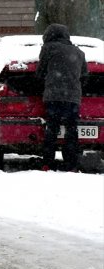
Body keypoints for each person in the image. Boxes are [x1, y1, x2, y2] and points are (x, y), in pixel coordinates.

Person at [36, 23, 88, 171]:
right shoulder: (79, 52)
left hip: (53, 96)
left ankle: (48, 162)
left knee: (52, 128)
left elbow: (40, 72)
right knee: (72, 130)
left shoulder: (48, 49)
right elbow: (84, 75)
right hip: (73, 97)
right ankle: (71, 163)